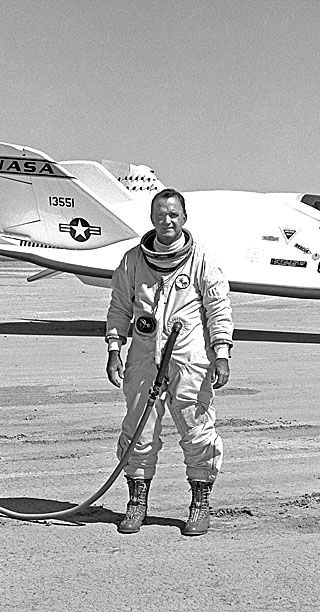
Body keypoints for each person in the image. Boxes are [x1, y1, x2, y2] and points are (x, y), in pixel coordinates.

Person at [105, 188, 233, 536]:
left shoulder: (201, 260)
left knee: (196, 430)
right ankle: (137, 503)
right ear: (152, 218)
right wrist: (114, 347)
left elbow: (218, 308)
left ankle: (200, 503)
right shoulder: (133, 261)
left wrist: (221, 353)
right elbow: (119, 306)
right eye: (160, 215)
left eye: (173, 215)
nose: (167, 221)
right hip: (144, 357)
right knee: (138, 429)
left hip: (189, 358)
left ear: (184, 218)